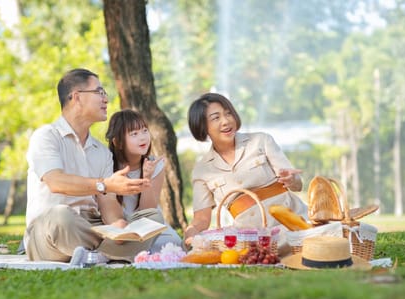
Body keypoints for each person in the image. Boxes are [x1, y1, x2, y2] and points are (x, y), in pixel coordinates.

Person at [23, 68, 157, 263]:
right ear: (76, 97)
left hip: (94, 226)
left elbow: (108, 202)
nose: (105, 99)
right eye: (99, 92)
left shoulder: (101, 152)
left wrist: (118, 225)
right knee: (61, 217)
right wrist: (104, 185)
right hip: (53, 230)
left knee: (152, 218)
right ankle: (109, 253)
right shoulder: (45, 136)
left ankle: (96, 255)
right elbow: (56, 182)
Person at [183, 92, 308, 246]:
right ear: (203, 127)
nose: (226, 121)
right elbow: (202, 219)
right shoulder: (202, 170)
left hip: (292, 225)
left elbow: (298, 185)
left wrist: (291, 180)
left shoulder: (262, 140)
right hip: (250, 239)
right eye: (216, 118)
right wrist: (190, 232)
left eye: (228, 114)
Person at [105, 109, 184, 252]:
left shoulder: (155, 164)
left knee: (173, 243)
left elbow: (147, 211)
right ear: (117, 142)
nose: (143, 138)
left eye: (144, 131)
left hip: (147, 222)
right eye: (134, 134)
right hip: (118, 224)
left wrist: (147, 177)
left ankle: (130, 251)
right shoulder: (107, 165)